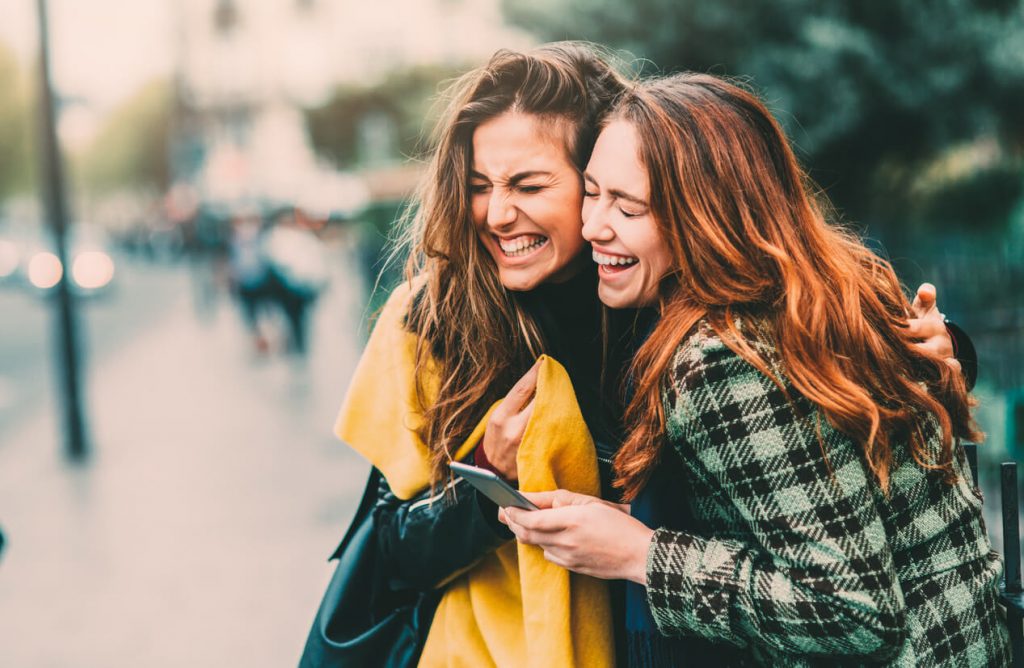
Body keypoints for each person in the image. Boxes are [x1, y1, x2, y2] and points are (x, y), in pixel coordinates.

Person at [500, 73, 1008, 666]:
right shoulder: (834, 288)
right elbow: (830, 511)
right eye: (592, 192)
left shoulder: (721, 359)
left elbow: (853, 610)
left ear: (706, 214)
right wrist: (618, 528)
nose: (594, 227)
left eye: (629, 206)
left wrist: (642, 556)